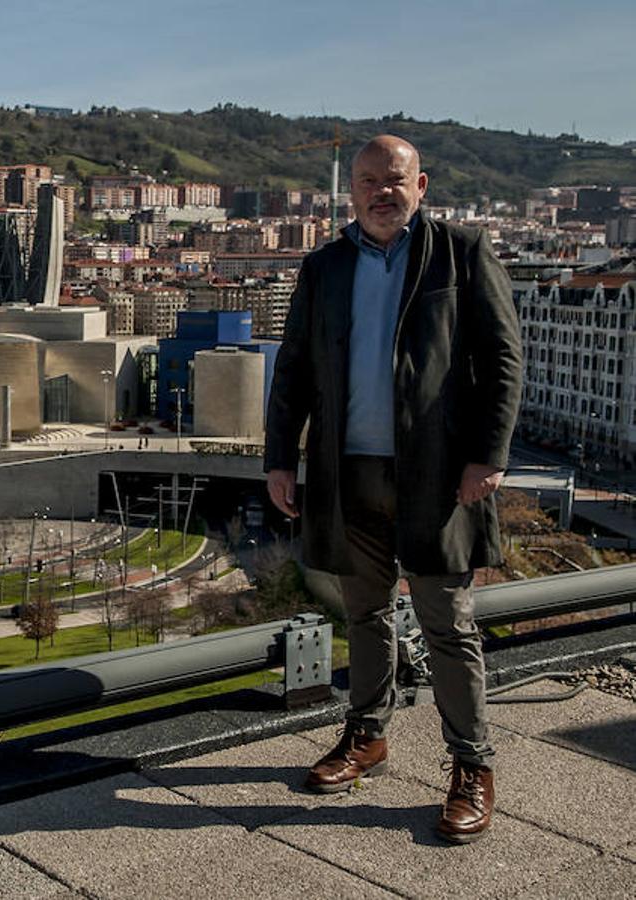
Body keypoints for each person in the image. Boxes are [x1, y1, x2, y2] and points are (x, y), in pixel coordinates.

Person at [264, 135, 522, 844]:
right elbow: (291, 369)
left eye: (394, 179)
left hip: (438, 474)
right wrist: (280, 459)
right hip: (346, 474)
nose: (381, 191)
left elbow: (503, 360)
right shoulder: (324, 265)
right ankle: (366, 737)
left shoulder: (461, 252)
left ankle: (472, 767)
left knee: (446, 624)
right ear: (349, 191)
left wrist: (486, 456)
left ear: (422, 184)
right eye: (368, 180)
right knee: (365, 616)